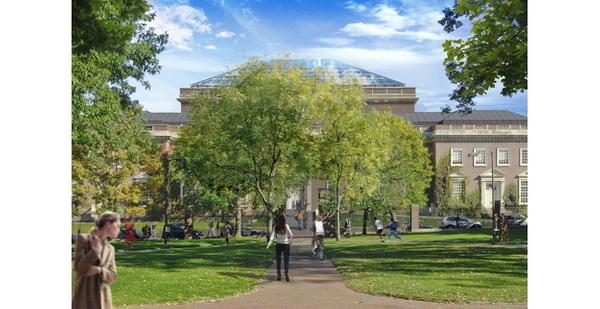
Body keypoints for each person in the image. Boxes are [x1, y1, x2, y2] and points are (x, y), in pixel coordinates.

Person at [72, 211, 120, 309]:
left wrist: (99, 270)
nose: (118, 229)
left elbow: (113, 276)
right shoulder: (83, 240)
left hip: (103, 300)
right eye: (117, 225)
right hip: (84, 299)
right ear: (108, 224)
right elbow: (79, 268)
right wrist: (95, 251)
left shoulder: (110, 249)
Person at [267, 214, 294, 282]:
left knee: (278, 260)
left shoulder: (276, 226)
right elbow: (291, 235)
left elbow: (272, 237)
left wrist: (268, 245)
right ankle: (286, 273)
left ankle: (279, 275)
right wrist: (289, 241)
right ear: (284, 220)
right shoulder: (286, 226)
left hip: (278, 244)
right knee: (286, 260)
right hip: (286, 245)